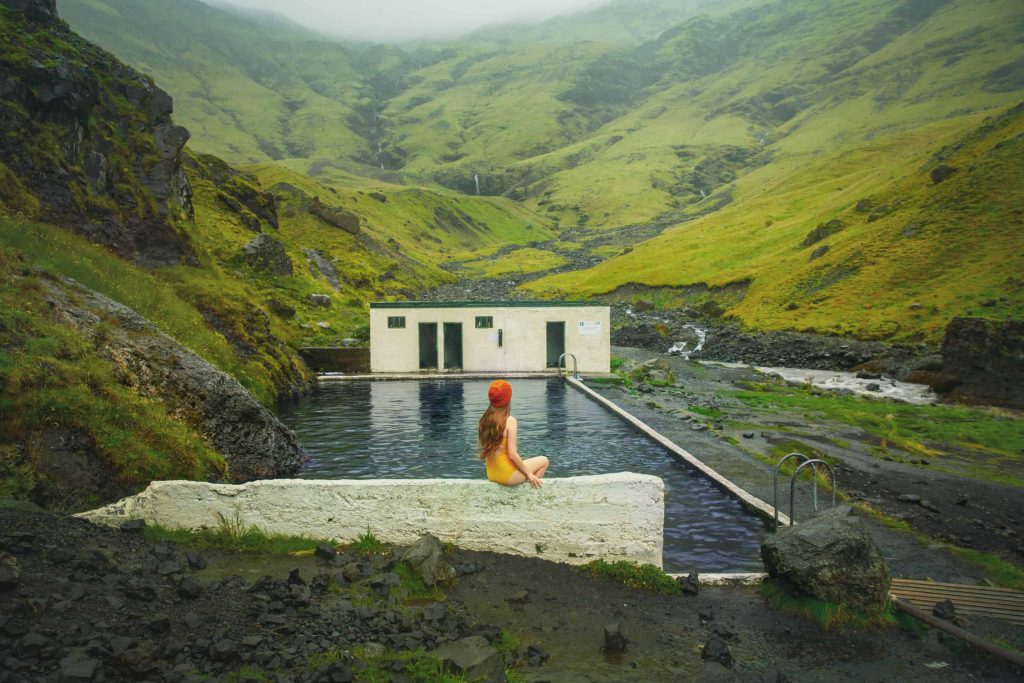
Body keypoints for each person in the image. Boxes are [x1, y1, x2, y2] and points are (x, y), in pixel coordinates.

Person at [478, 380, 549, 488]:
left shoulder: (484, 419)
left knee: (524, 465)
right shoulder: (510, 421)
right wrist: (529, 474)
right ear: (508, 399)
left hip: (492, 473)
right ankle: (530, 496)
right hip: (507, 476)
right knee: (544, 461)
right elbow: (512, 454)